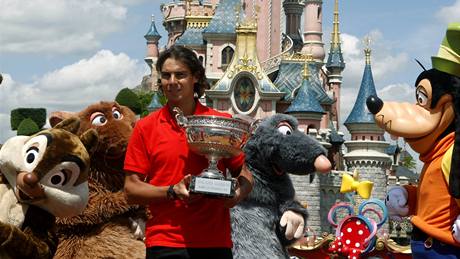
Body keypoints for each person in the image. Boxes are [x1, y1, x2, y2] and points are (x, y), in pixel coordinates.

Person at [124, 45, 254, 259]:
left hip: (214, 242)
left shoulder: (218, 124)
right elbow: (130, 189)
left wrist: (238, 194)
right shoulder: (145, 127)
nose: (172, 81)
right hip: (164, 242)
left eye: (180, 75)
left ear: (196, 78)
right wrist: (171, 191)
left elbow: (246, 173)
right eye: (166, 75)